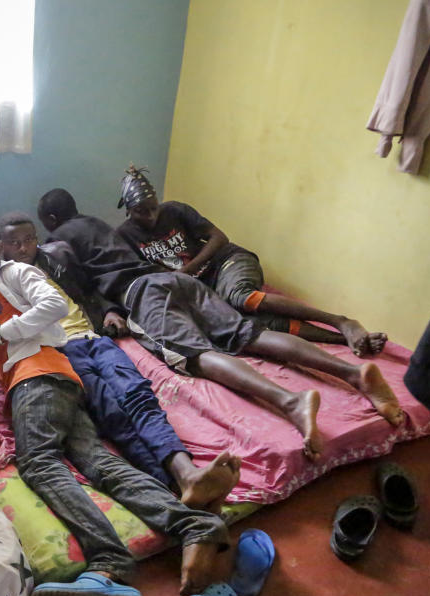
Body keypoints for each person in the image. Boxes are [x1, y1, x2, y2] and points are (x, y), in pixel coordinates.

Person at [0, 218, 229, 596]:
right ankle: (194, 525)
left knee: (38, 463)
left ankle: (108, 563)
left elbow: (53, 305)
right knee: (98, 462)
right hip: (54, 381)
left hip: (39, 377)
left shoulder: (13, 272)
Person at [37, 188, 405, 461]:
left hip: (142, 295)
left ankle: (291, 402)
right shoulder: (99, 225)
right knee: (249, 332)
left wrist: (107, 313)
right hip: (180, 281)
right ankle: (352, 373)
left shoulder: (56, 242)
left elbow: (79, 288)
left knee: (196, 355)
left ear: (50, 221)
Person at [0, 211, 240, 512]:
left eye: (29, 240)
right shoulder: (0, 284)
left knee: (138, 395)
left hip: (96, 339)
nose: (23, 248)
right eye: (14, 243)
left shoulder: (56, 260)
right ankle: (178, 484)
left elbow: (89, 289)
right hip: (60, 350)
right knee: (112, 413)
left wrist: (110, 310)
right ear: (1, 246)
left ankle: (187, 473)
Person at [115, 165, 386, 356]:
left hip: (226, 262)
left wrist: (188, 270)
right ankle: (343, 340)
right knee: (249, 325)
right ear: (128, 209)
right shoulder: (125, 236)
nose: (151, 216)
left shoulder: (175, 210)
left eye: (153, 207)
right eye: (141, 211)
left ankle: (340, 321)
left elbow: (219, 237)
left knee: (241, 297)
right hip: (199, 288)